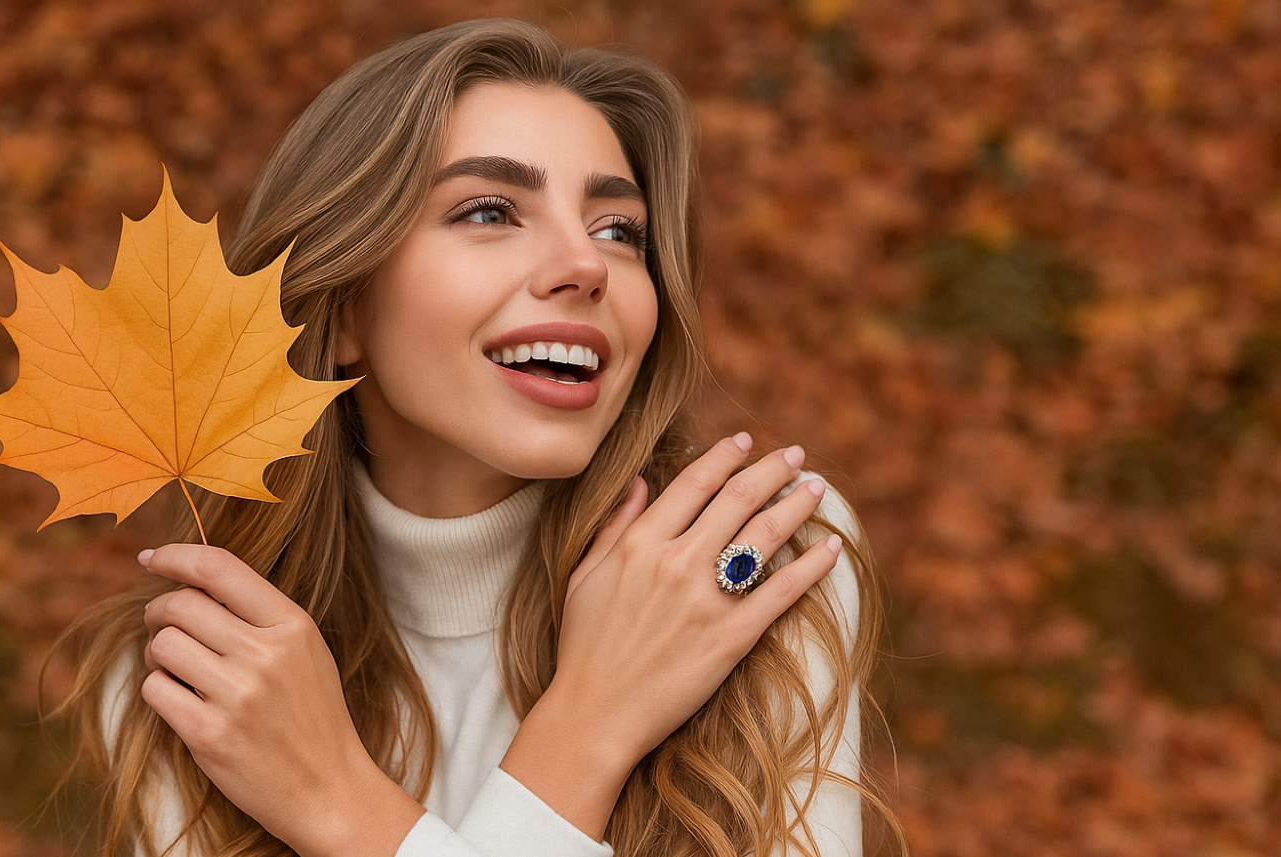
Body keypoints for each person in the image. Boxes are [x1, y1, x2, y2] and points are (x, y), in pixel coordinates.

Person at [54, 18, 898, 857]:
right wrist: (587, 733)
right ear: (346, 304)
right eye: (491, 210)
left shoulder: (752, 562)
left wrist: (345, 807)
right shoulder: (198, 669)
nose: (588, 263)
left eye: (619, 229)